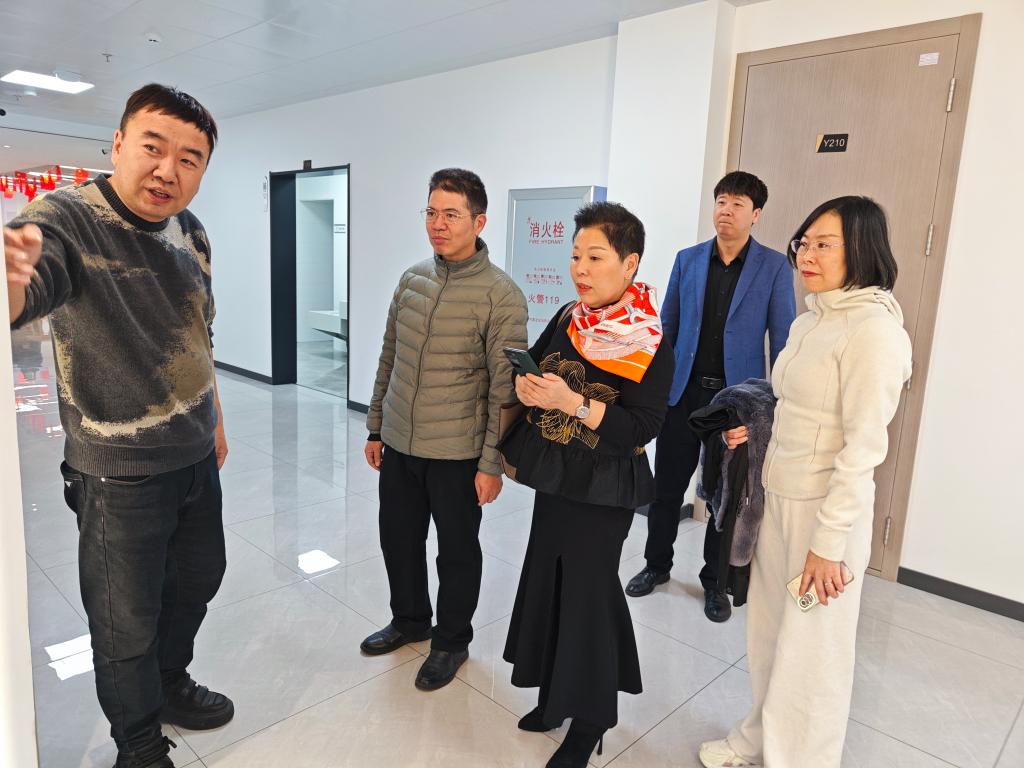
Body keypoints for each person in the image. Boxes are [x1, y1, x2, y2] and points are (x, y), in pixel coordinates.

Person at [4, 84, 231, 768]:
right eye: (153, 148)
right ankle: (138, 746)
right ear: (118, 144)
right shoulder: (64, 219)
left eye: (189, 159)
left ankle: (168, 684)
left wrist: (216, 419)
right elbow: (25, 280)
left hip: (195, 455)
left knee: (199, 579)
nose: (168, 170)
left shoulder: (192, 232)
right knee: (124, 622)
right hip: (117, 473)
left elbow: (201, 335)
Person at [699, 196, 912, 768]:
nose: (806, 256)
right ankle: (759, 739)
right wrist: (750, 430)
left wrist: (829, 543)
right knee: (770, 636)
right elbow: (790, 406)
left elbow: (863, 449)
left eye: (823, 245)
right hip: (779, 499)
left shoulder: (874, 332)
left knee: (814, 655)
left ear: (861, 248)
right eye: (803, 243)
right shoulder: (811, 319)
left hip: (826, 515)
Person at [500, 202, 673, 768]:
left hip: (604, 487)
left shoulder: (647, 337)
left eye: (595, 257)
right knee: (549, 579)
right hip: (556, 473)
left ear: (630, 263)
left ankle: (592, 717)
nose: (580, 268)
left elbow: (641, 428)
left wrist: (572, 402)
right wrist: (528, 388)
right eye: (576, 255)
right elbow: (536, 369)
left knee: (589, 594)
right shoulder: (568, 317)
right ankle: (555, 697)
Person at [360, 168, 528, 691]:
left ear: (479, 221)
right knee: (398, 540)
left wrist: (491, 464)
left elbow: (504, 391)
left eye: (451, 214)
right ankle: (410, 619)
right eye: (431, 212)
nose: (438, 224)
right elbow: (390, 357)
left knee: (456, 552)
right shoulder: (412, 280)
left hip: (458, 453)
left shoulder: (502, 295)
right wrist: (375, 426)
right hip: (400, 443)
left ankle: (452, 640)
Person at [626, 171, 796, 624]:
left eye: (738, 204)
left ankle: (714, 583)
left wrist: (776, 406)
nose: (726, 210)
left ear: (756, 214)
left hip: (734, 404)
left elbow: (783, 340)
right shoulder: (688, 260)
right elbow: (667, 329)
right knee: (667, 489)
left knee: (724, 497)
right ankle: (656, 565)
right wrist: (655, 391)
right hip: (683, 395)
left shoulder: (774, 267)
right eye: (721, 201)